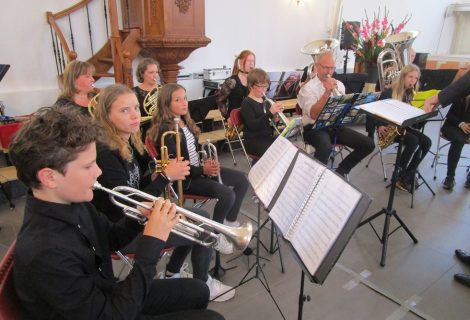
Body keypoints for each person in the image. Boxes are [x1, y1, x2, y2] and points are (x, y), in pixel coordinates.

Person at [9, 105, 224, 319]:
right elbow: (113, 315)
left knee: (198, 290)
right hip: (112, 312)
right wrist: (152, 243)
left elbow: (110, 239)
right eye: (88, 166)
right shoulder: (46, 251)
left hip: (106, 293)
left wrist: (139, 218)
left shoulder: (72, 201)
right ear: (49, 177)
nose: (99, 171)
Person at [91, 84, 234, 302]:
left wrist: (159, 174)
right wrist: (166, 177)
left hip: (140, 217)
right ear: (106, 116)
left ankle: (173, 272)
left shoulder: (128, 142)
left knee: (199, 222)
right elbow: (127, 202)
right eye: (124, 110)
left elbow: (137, 184)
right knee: (203, 227)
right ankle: (202, 281)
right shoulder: (106, 154)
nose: (135, 116)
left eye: (136, 109)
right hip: (124, 229)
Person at [148, 83, 249, 255]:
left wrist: (207, 162)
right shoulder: (166, 130)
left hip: (199, 171)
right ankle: (215, 236)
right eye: (177, 100)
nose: (184, 103)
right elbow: (178, 166)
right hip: (187, 179)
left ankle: (228, 222)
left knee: (243, 180)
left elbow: (193, 153)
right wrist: (203, 170)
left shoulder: (185, 121)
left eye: (185, 98)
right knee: (227, 194)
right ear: (166, 104)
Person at [424, 68, 470, 288]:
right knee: (458, 141)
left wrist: (437, 98)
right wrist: (439, 98)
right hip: (455, 128)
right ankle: (451, 175)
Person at [297, 51, 375, 177]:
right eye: (326, 67)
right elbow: (313, 114)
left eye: (332, 67)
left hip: (334, 126)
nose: (329, 71)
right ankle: (314, 178)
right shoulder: (307, 88)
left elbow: (343, 110)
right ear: (317, 67)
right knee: (325, 147)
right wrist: (326, 92)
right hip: (313, 128)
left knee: (368, 144)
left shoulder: (339, 85)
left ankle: (340, 172)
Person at [371, 64, 432, 192]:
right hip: (389, 128)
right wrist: (379, 125)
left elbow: (415, 125)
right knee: (413, 141)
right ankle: (398, 175)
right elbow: (375, 111)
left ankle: (409, 173)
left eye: (415, 78)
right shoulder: (389, 92)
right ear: (403, 76)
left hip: (403, 127)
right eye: (410, 77)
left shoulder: (412, 95)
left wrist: (424, 115)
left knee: (427, 142)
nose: (413, 81)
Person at [240, 68, 284, 158]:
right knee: (275, 155)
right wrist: (270, 112)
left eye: (266, 86)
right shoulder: (246, 103)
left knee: (286, 149)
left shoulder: (266, 101)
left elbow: (269, 124)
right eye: (261, 86)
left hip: (267, 137)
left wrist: (275, 119)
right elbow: (253, 126)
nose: (264, 89)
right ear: (251, 85)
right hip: (253, 141)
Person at [440, 94, 470, 190]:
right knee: (458, 140)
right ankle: (450, 177)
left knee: (460, 139)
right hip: (452, 125)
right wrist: (460, 124)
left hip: (468, 128)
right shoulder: (459, 92)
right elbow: (448, 114)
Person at [216, 49, 256, 118]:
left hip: (251, 118)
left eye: (253, 61)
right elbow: (220, 100)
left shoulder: (254, 80)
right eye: (249, 61)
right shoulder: (232, 81)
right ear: (240, 62)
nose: (251, 63)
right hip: (236, 120)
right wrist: (227, 117)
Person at [133, 58, 163, 138]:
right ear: (142, 74)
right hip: (144, 132)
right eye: (151, 72)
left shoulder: (164, 90)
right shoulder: (133, 92)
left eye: (156, 72)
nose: (155, 75)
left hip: (163, 129)